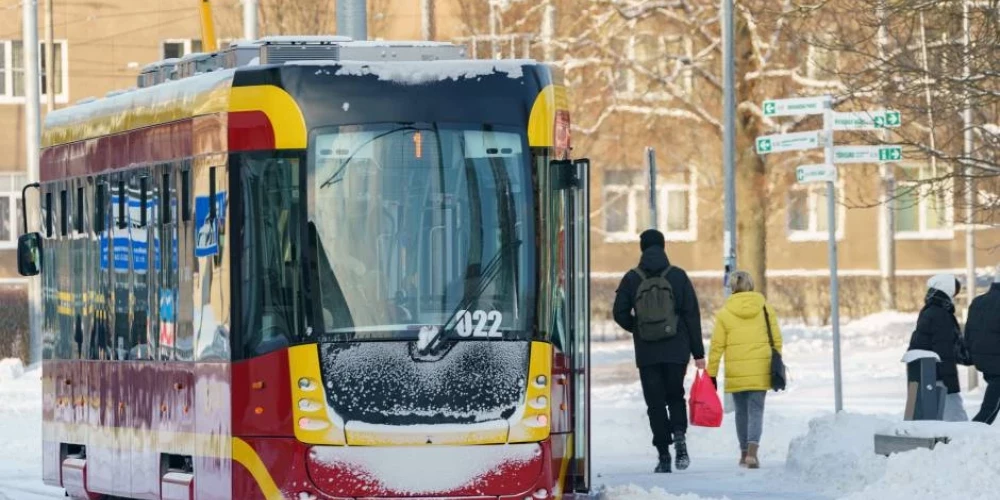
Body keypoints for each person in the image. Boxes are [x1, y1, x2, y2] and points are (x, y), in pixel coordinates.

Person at [613, 229, 705, 474]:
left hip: (648, 352)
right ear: (663, 247)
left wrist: (638, 328)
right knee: (675, 396)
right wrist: (698, 353)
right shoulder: (678, 276)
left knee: (655, 403)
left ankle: (663, 454)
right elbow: (691, 315)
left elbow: (619, 313)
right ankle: (679, 437)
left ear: (642, 248)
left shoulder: (632, 278)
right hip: (677, 349)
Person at [706, 271, 781, 469]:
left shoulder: (725, 313)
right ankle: (753, 454)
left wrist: (711, 373)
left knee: (741, 412)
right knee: (756, 410)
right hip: (760, 367)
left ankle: (743, 454)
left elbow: (717, 346)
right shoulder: (765, 308)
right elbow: (777, 339)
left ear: (732, 288)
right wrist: (776, 360)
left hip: (736, 370)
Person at [907, 274, 968, 421]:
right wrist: (951, 384)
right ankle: (965, 442)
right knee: (956, 417)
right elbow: (944, 349)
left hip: (922, 370)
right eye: (955, 291)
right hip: (936, 373)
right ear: (947, 290)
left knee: (924, 417)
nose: (956, 295)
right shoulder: (940, 314)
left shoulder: (930, 310)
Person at [964, 267, 1000, 424]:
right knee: (988, 410)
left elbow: (969, 333)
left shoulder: (978, 301)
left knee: (991, 405)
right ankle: (969, 436)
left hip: (984, 361)